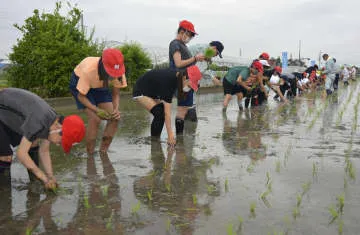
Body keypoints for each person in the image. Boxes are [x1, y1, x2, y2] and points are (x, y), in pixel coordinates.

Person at [0, 88, 85, 189]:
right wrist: (43, 178)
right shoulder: (40, 121)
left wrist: (51, 176)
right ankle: (4, 192)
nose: (58, 144)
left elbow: (44, 151)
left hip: (10, 114)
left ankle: (34, 181)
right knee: (6, 156)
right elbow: (21, 154)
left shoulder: (53, 121)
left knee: (34, 141)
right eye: (60, 141)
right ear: (59, 129)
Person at [69, 48, 127, 155]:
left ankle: (103, 152)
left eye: (115, 74)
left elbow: (116, 93)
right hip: (80, 81)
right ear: (103, 67)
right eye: (111, 74)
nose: (113, 76)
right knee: (95, 119)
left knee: (114, 118)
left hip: (99, 84)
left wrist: (116, 109)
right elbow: (81, 97)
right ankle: (90, 155)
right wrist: (96, 109)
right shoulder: (89, 71)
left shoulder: (119, 71)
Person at [133, 65, 202, 146]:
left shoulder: (178, 77)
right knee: (159, 113)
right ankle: (154, 142)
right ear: (184, 78)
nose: (189, 88)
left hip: (153, 91)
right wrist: (170, 136)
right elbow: (167, 113)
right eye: (190, 86)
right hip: (141, 89)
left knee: (160, 112)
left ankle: (155, 139)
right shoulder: (170, 81)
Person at [168, 20, 206, 134]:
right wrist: (195, 58)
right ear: (182, 31)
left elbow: (188, 63)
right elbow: (178, 63)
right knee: (182, 109)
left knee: (184, 109)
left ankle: (181, 138)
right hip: (181, 79)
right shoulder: (175, 44)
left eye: (191, 36)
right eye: (189, 34)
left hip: (188, 80)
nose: (190, 37)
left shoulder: (183, 45)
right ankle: (179, 138)